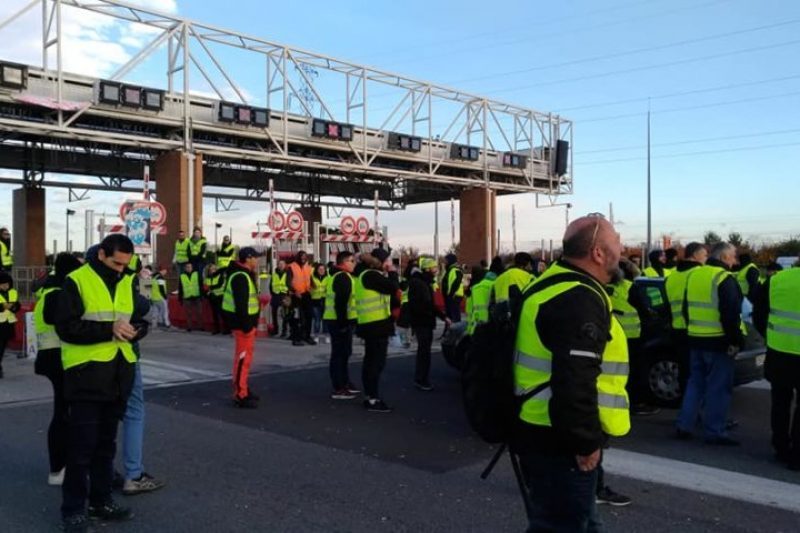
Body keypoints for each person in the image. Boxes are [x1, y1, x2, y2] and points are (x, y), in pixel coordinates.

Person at [511, 214, 629, 531]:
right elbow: (574, 379)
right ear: (598, 253)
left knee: (575, 523)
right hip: (558, 442)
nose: (623, 247)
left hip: (542, 432)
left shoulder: (553, 283)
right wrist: (585, 442)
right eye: (617, 240)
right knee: (563, 525)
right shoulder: (578, 298)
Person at [54, 234, 144, 532]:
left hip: (119, 374)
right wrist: (110, 329)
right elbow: (66, 328)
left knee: (106, 446)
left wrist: (136, 329)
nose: (121, 269)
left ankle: (101, 500)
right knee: (81, 449)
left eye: (126, 264)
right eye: (117, 262)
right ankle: (73, 510)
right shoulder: (77, 280)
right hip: (87, 375)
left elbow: (132, 316)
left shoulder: (126, 279)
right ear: (102, 254)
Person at [676, 242, 745, 445]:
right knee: (718, 388)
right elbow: (731, 315)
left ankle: (684, 425)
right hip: (718, 342)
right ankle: (714, 431)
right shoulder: (724, 278)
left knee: (695, 384)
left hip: (695, 338)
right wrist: (735, 341)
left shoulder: (695, 275)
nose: (735, 261)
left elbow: (686, 309)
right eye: (733, 257)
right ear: (724, 258)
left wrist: (693, 331)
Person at [33, 253, 82, 485]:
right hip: (58, 357)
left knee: (63, 412)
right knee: (64, 414)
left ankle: (60, 467)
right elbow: (57, 320)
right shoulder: (57, 293)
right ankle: (59, 468)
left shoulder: (48, 290)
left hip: (51, 357)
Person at [753, 260, 800, 471]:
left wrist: (769, 336)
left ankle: (780, 447)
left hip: (779, 352)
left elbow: (758, 314)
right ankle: (797, 455)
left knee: (780, 401)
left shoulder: (775, 280)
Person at [608, 259, 659, 417]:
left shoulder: (604, 287)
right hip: (633, 337)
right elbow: (645, 311)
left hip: (611, 335)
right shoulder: (630, 287)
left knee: (614, 372)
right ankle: (636, 403)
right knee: (635, 372)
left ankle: (616, 403)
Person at [355, 248, 399, 413]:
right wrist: (392, 272)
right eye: (388, 260)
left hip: (372, 324)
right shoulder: (371, 276)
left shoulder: (366, 275)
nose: (390, 263)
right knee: (376, 363)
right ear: (381, 261)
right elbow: (393, 287)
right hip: (375, 325)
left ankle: (370, 396)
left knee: (371, 362)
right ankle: (372, 399)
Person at [222, 247, 262, 409]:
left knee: (245, 359)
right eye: (256, 258)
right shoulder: (241, 276)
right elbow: (241, 304)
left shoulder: (242, 275)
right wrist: (248, 326)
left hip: (245, 325)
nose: (257, 261)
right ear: (248, 258)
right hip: (243, 326)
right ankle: (240, 393)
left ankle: (243, 387)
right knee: (242, 360)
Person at [408, 257, 451, 390]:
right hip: (423, 321)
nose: (436, 270)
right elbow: (427, 304)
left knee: (424, 351)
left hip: (422, 320)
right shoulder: (421, 284)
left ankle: (422, 378)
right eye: (434, 268)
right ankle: (421, 380)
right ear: (427, 269)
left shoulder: (423, 282)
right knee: (424, 352)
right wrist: (443, 316)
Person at [324, 251, 359, 400]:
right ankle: (339, 387)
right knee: (340, 354)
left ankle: (344, 383)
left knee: (343, 354)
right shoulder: (342, 277)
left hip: (337, 320)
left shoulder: (340, 276)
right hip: (339, 321)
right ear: (343, 262)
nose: (354, 263)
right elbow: (341, 303)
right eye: (351, 261)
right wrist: (343, 323)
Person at [287, 251, 315, 346]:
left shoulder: (308, 267)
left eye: (305, 257)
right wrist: (294, 291)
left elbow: (310, 279)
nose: (303, 259)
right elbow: (288, 282)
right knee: (297, 318)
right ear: (298, 257)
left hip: (306, 294)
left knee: (309, 316)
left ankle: (307, 336)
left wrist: (312, 286)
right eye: (302, 257)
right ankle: (296, 338)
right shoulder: (292, 267)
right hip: (296, 296)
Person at [0, 270, 20, 378]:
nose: (5, 286)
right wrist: (2, 307)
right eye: (2, 284)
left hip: (8, 324)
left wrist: (14, 307)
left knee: (3, 346)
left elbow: (18, 305)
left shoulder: (13, 292)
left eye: (7, 284)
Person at [465, 265, 495, 336]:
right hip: (490, 324)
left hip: (475, 325)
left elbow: (469, 309)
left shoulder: (474, 288)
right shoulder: (494, 285)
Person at [178, 263, 202, 333]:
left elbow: (200, 285)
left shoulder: (197, 274)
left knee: (199, 312)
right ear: (185, 268)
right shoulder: (182, 276)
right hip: (187, 297)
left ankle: (200, 326)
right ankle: (189, 327)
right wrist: (180, 298)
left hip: (196, 295)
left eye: (190, 267)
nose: (189, 268)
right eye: (187, 267)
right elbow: (180, 287)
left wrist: (202, 295)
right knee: (188, 313)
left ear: (192, 268)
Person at [205, 264, 228, 335]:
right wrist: (207, 293)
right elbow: (205, 287)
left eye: (214, 269)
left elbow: (219, 284)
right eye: (211, 269)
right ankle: (217, 329)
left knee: (222, 313)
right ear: (209, 271)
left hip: (220, 296)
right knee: (214, 314)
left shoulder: (220, 275)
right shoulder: (207, 278)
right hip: (212, 297)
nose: (213, 270)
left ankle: (227, 329)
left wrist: (210, 288)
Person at [441, 253, 464, 323]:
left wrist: (451, 293)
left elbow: (456, 282)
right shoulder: (450, 270)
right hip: (452, 295)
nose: (445, 263)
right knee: (451, 315)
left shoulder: (455, 269)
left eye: (446, 261)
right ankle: (450, 331)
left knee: (455, 315)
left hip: (454, 295)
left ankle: (456, 331)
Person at [310, 263, 330, 342]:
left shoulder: (328, 278)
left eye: (323, 269)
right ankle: (316, 336)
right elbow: (309, 288)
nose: (321, 271)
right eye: (319, 269)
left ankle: (327, 336)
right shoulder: (312, 278)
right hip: (315, 301)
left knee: (326, 320)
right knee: (317, 320)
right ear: (316, 270)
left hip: (325, 300)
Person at [270, 260, 289, 337]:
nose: (280, 265)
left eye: (282, 264)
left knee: (284, 314)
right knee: (274, 313)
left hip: (284, 295)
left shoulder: (287, 274)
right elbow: (271, 286)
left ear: (285, 265)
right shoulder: (274, 275)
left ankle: (284, 331)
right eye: (279, 264)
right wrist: (273, 293)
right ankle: (275, 330)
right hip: (275, 295)